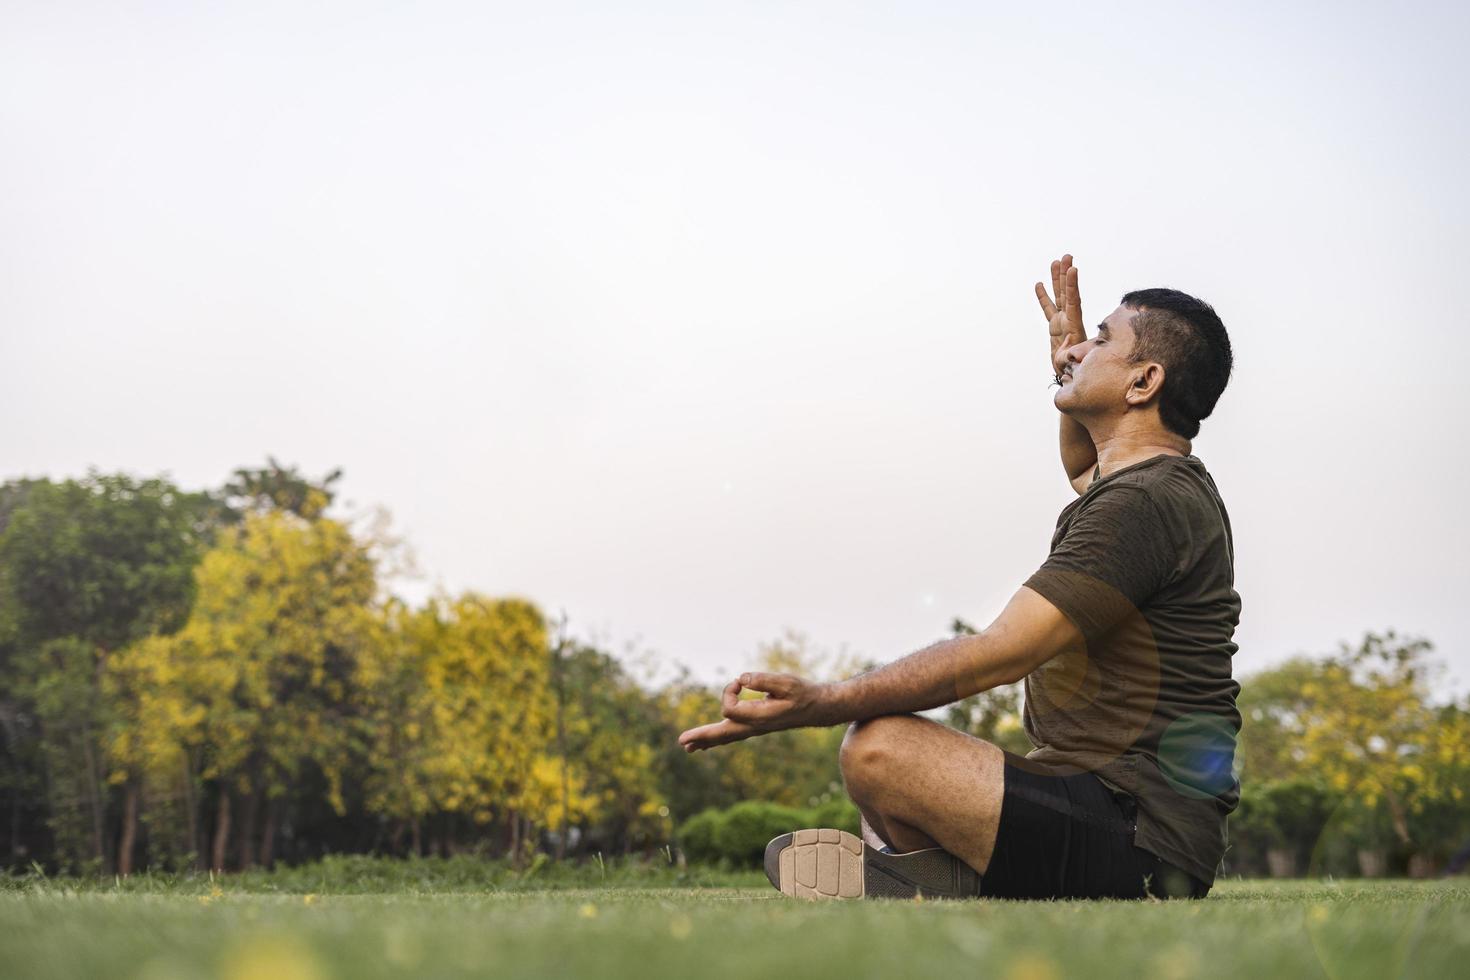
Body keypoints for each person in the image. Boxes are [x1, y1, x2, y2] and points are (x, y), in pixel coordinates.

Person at [678, 255, 1241, 901]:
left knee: (880, 748)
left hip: (1138, 837)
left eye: (1102, 340)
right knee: (893, 761)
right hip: (1118, 816)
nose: (1082, 347)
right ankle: (947, 882)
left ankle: (944, 879)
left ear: (1143, 382)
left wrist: (822, 702)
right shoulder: (1149, 485)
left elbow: (1001, 653)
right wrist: (1066, 360)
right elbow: (1085, 465)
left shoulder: (1141, 504)